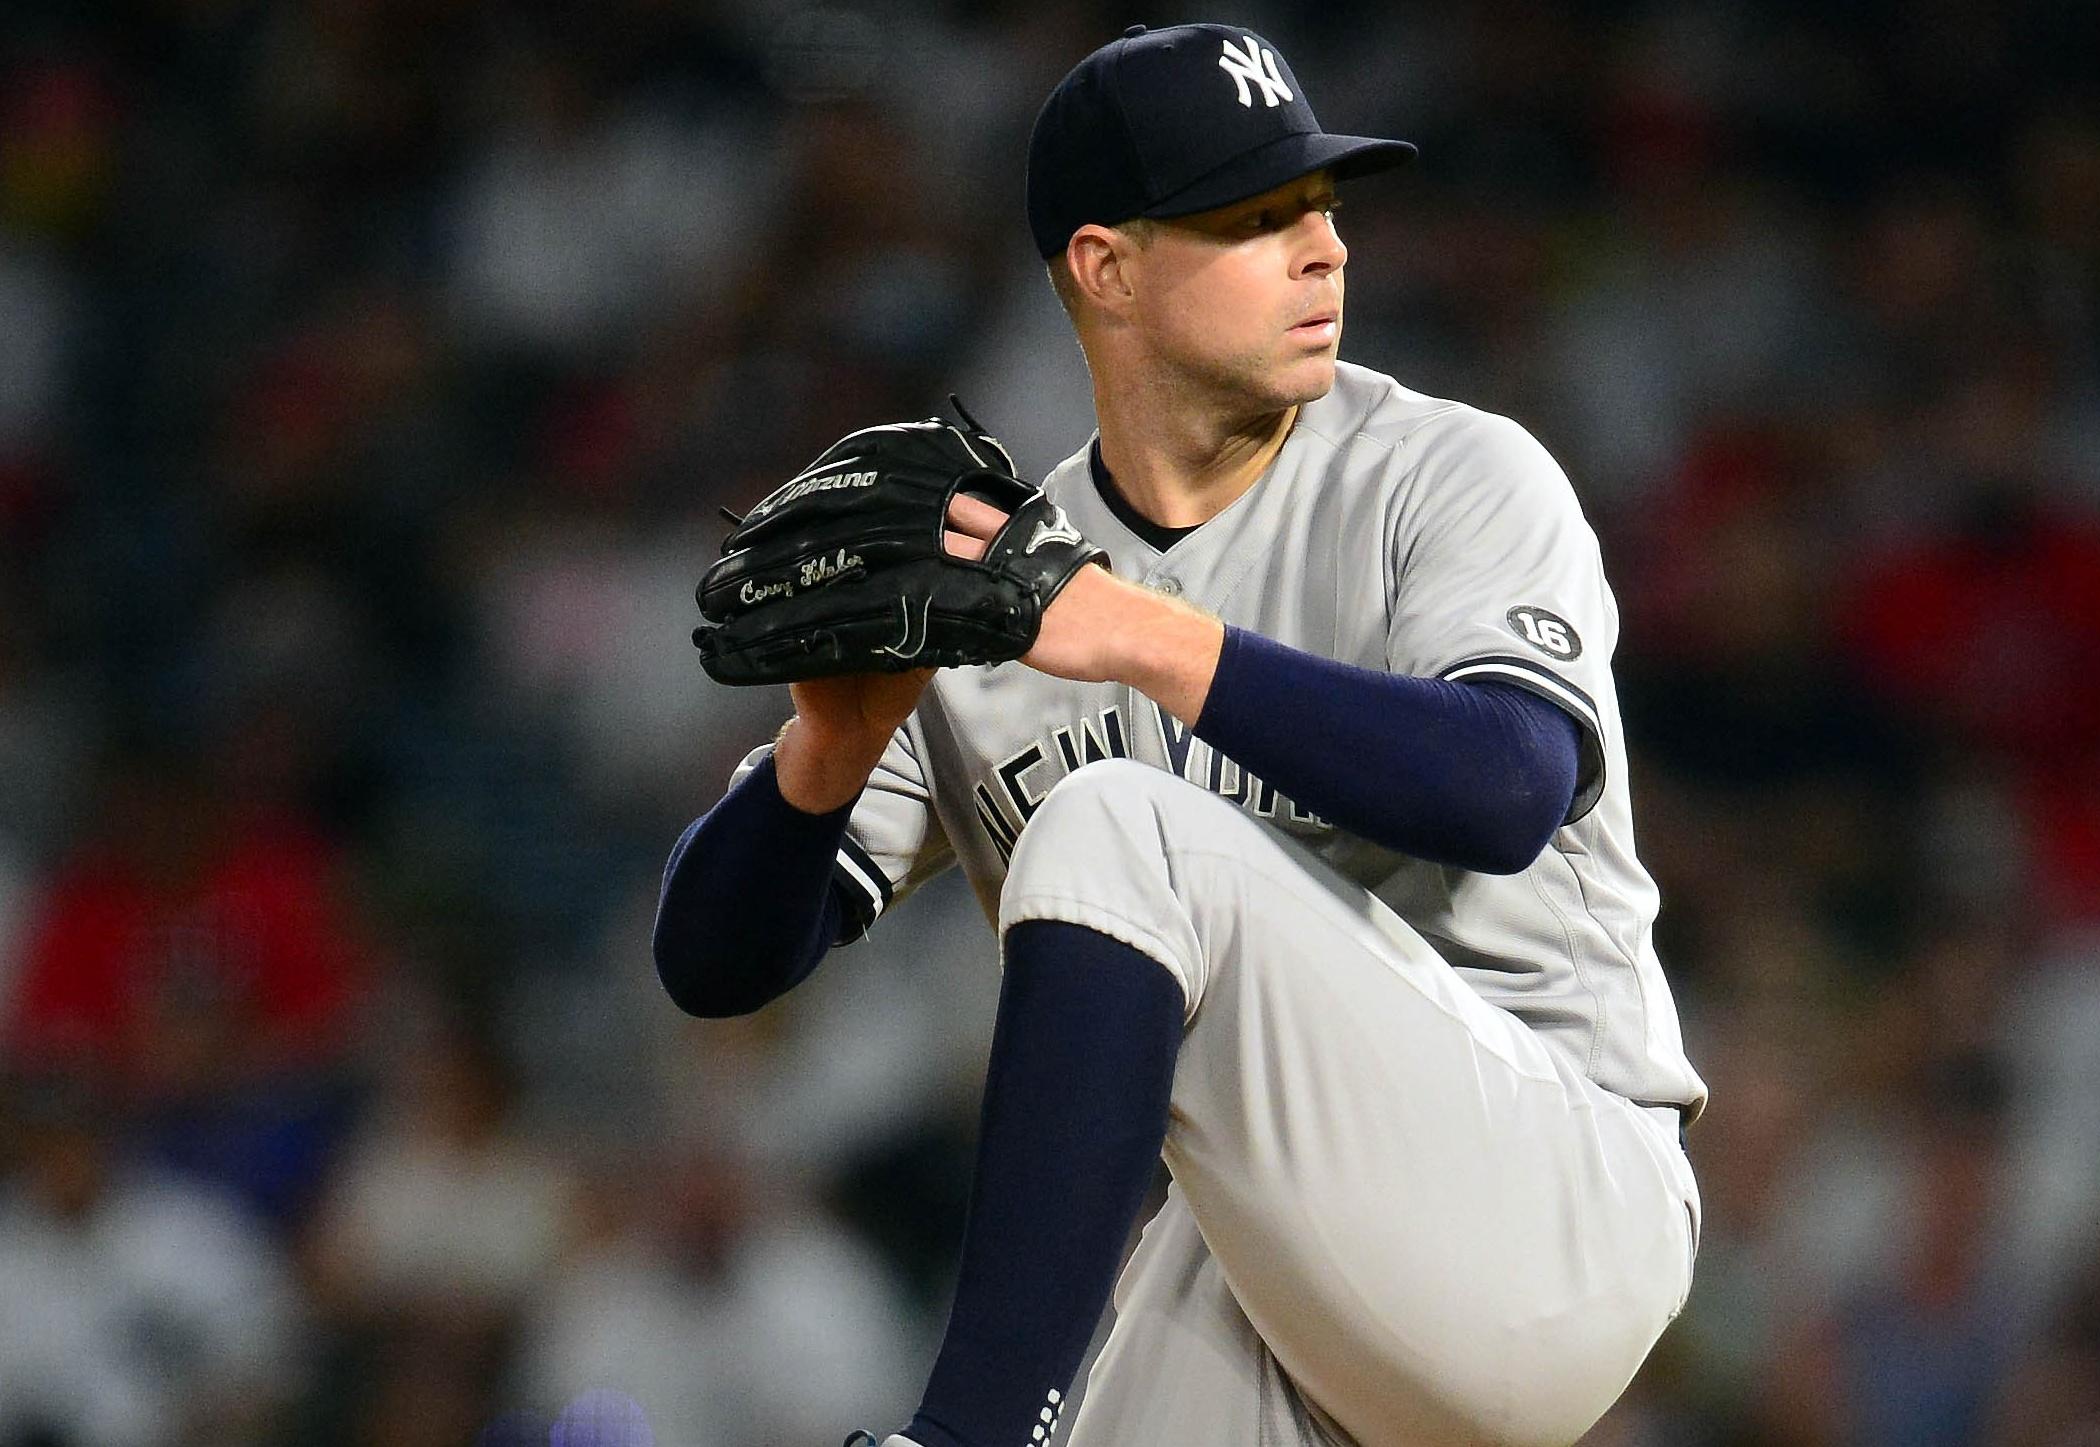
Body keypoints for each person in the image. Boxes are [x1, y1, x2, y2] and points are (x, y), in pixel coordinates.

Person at [654, 23, 1702, 1447]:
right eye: (1255, 218)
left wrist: (1137, 634)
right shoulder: (999, 597)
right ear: (1105, 267)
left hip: (1551, 1201)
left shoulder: (1446, 474)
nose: (1324, 249)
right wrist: (822, 759)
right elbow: (712, 965)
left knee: (1111, 826)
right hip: (1276, 1257)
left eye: (1322, 207)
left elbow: (1506, 786)